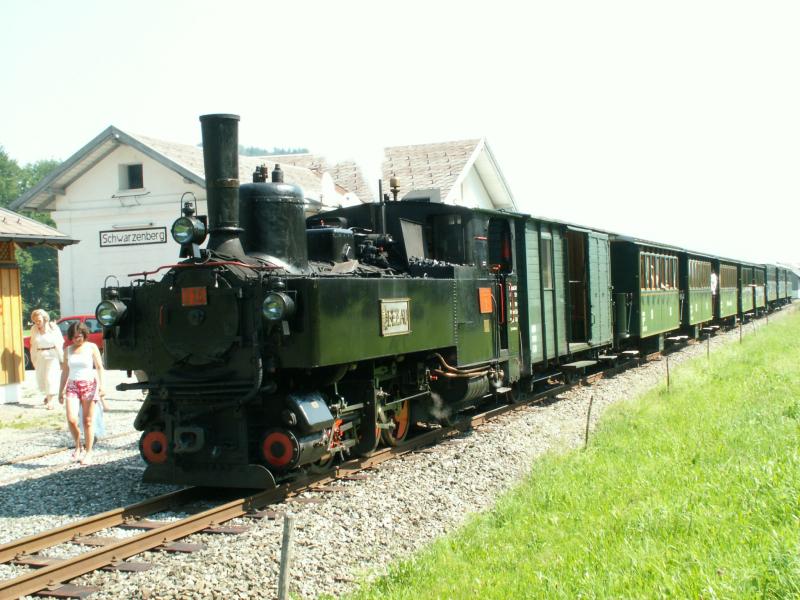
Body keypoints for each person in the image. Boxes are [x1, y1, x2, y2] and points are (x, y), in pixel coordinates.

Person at [59, 321, 106, 464]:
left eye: (79, 336)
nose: (76, 339)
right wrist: (60, 390)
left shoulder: (91, 347)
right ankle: (78, 446)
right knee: (72, 419)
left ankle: (89, 452)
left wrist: (102, 386)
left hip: (89, 385)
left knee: (87, 421)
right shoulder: (67, 350)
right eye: (73, 337)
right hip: (72, 386)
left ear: (84, 335)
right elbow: (65, 371)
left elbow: (99, 367)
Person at [29, 309, 64, 410]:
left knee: (50, 377)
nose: (37, 322)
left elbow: (60, 342)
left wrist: (61, 358)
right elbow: (33, 344)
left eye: (38, 320)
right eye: (35, 321)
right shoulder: (33, 329)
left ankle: (50, 401)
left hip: (52, 355)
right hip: (40, 355)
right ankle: (48, 395)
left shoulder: (53, 327)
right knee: (42, 378)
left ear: (44, 318)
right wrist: (33, 357)